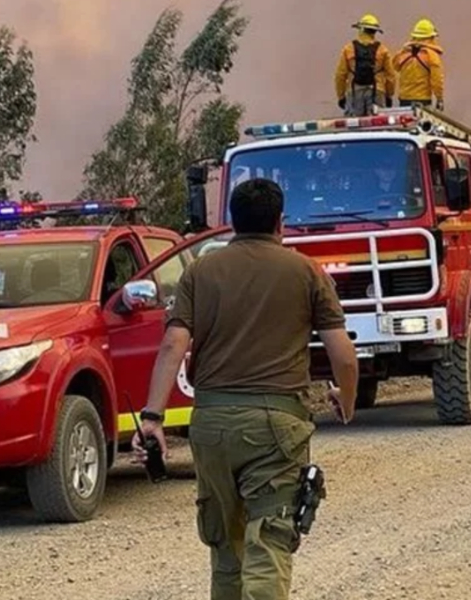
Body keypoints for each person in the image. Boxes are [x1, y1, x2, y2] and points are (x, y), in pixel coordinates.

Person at [134, 178, 360, 600]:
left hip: (212, 425)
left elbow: (172, 345)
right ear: (281, 222)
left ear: (232, 222)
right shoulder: (306, 271)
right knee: (269, 541)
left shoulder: (200, 272)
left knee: (225, 549)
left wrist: (152, 418)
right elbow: (343, 357)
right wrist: (345, 402)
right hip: (277, 425)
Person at [335, 14, 396, 117]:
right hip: (377, 91)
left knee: (354, 125)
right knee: (377, 125)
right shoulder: (383, 50)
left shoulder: (348, 49)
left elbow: (340, 75)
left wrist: (341, 96)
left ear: (360, 29)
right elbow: (391, 76)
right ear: (375, 32)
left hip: (354, 91)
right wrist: (389, 95)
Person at [393, 18, 445, 110]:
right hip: (423, 100)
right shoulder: (431, 56)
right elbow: (437, 80)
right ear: (430, 37)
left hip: (404, 99)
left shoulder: (404, 53)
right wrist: (439, 98)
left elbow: (395, 66)